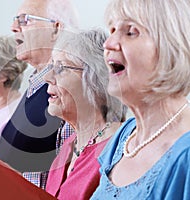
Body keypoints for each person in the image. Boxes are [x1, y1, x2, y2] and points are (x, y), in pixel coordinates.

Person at [90, 0, 190, 199]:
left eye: (130, 32)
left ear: (171, 46)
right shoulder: (125, 135)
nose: (108, 43)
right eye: (112, 29)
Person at [0, 0, 79, 189]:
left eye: (25, 20)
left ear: (56, 28)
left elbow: (67, 178)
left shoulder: (67, 91)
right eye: (15, 20)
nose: (13, 27)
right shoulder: (35, 84)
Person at [44, 29, 127, 199]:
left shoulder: (118, 149)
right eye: (50, 67)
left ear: (95, 79)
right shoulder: (68, 146)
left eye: (60, 68)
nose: (47, 77)